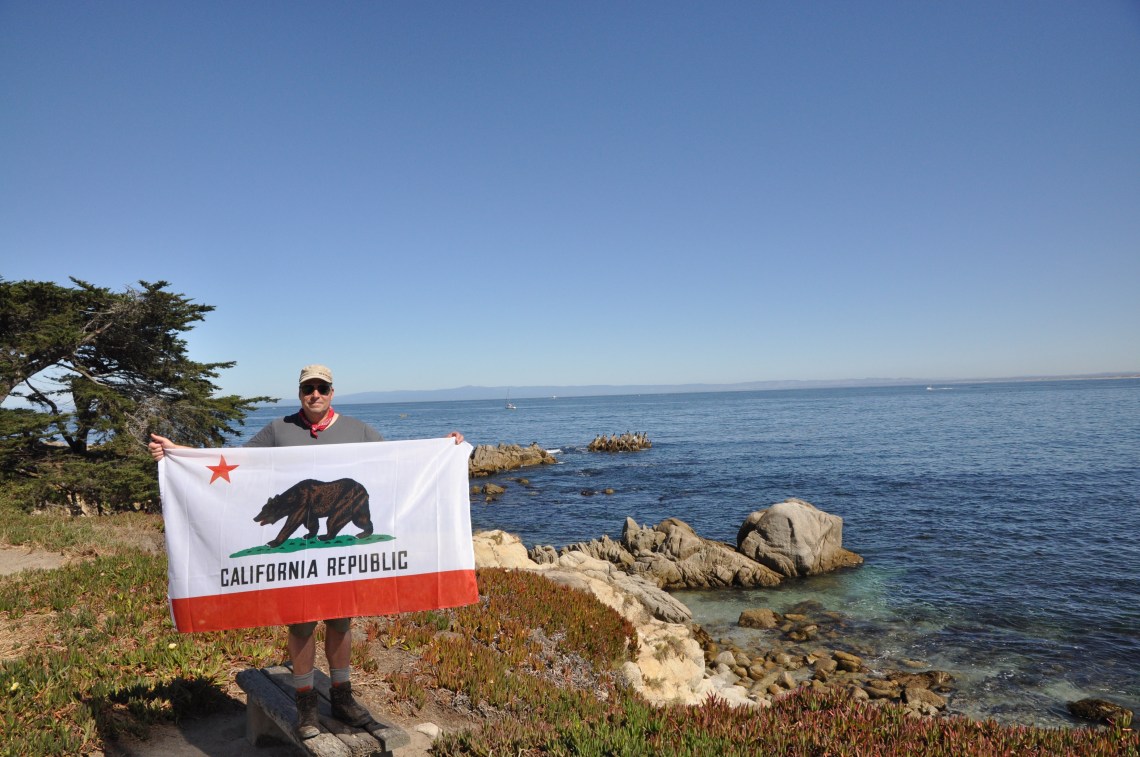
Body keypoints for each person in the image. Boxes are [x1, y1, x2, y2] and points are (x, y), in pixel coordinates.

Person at [149, 364, 464, 740]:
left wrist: (443, 449)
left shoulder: (359, 431)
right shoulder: (279, 430)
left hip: (341, 559)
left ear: (332, 392)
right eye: (308, 389)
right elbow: (235, 463)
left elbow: (398, 465)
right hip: (300, 565)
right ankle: (306, 705)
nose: (315, 394)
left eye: (322, 388)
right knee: (300, 624)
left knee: (341, 621)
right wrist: (176, 452)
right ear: (300, 393)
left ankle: (342, 696)